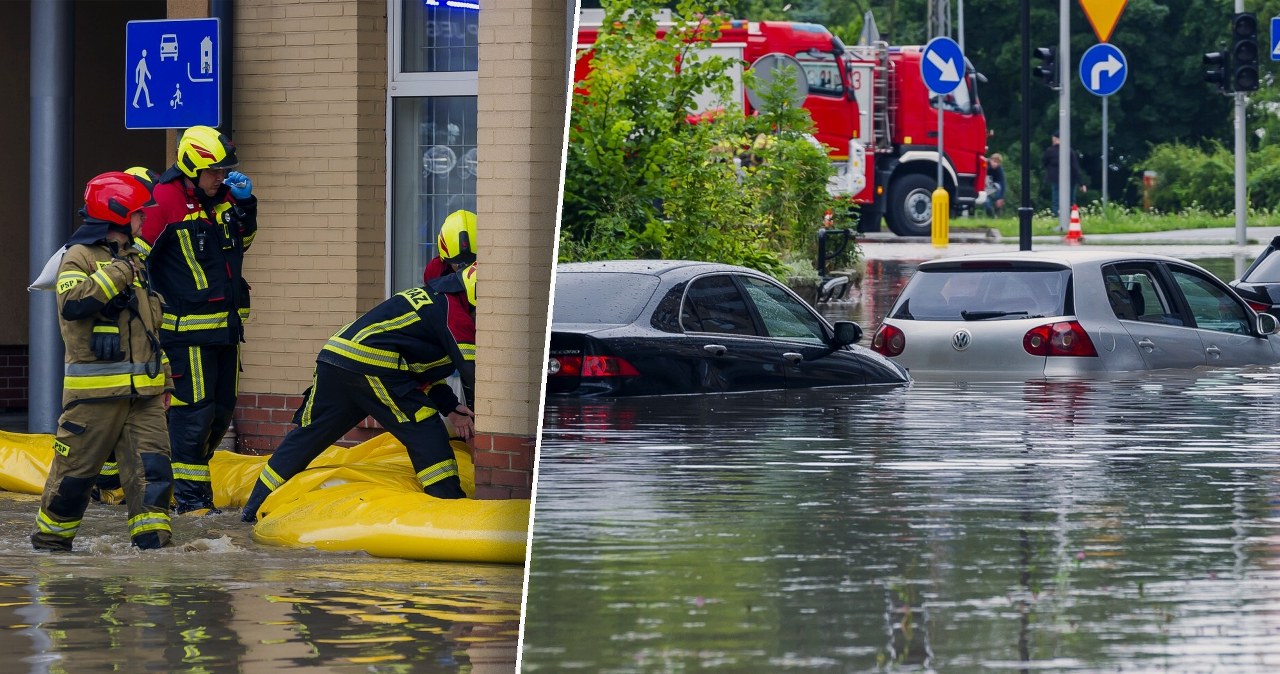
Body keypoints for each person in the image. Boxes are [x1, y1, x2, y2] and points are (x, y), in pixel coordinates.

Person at [240, 266, 479, 523]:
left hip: (336, 358)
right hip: (373, 365)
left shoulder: (435, 301)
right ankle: (451, 510)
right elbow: (473, 372)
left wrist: (452, 408)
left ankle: (252, 509)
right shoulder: (454, 313)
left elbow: (420, 371)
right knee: (423, 426)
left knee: (308, 436)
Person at [32, 172, 174, 552]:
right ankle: (50, 550)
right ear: (118, 214)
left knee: (153, 474)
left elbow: (150, 328)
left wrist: (165, 383)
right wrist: (120, 272)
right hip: (94, 399)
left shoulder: (135, 258)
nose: (144, 219)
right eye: (139, 213)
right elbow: (73, 303)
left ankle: (154, 555)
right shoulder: (78, 257)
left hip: (144, 396)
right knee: (74, 480)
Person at [138, 125, 258, 515]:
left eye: (224, 171)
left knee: (221, 412)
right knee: (194, 415)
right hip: (186, 334)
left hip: (225, 331)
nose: (220, 178)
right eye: (214, 172)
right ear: (190, 167)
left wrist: (246, 205)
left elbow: (240, 243)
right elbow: (136, 259)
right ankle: (191, 504)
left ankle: (184, 481)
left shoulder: (221, 198)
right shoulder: (164, 201)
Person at [422, 209, 477, 286]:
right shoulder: (435, 268)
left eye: (470, 263)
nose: (464, 268)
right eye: (458, 263)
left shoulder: (489, 268)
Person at [1041, 132, 1086, 219]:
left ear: (1055, 139)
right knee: (1071, 200)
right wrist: (1081, 183)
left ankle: (1056, 216)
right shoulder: (1069, 150)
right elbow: (1075, 168)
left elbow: (1044, 162)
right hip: (1070, 179)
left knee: (1056, 200)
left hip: (1055, 178)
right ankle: (1072, 217)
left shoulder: (1050, 151)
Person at [982, 153, 1006, 218]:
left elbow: (1002, 183)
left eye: (997, 163)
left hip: (995, 183)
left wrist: (1000, 197)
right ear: (991, 160)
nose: (995, 164)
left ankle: (997, 211)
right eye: (994, 161)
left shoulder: (999, 169)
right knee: (986, 201)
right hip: (986, 182)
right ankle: (990, 215)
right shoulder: (985, 163)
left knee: (999, 192)